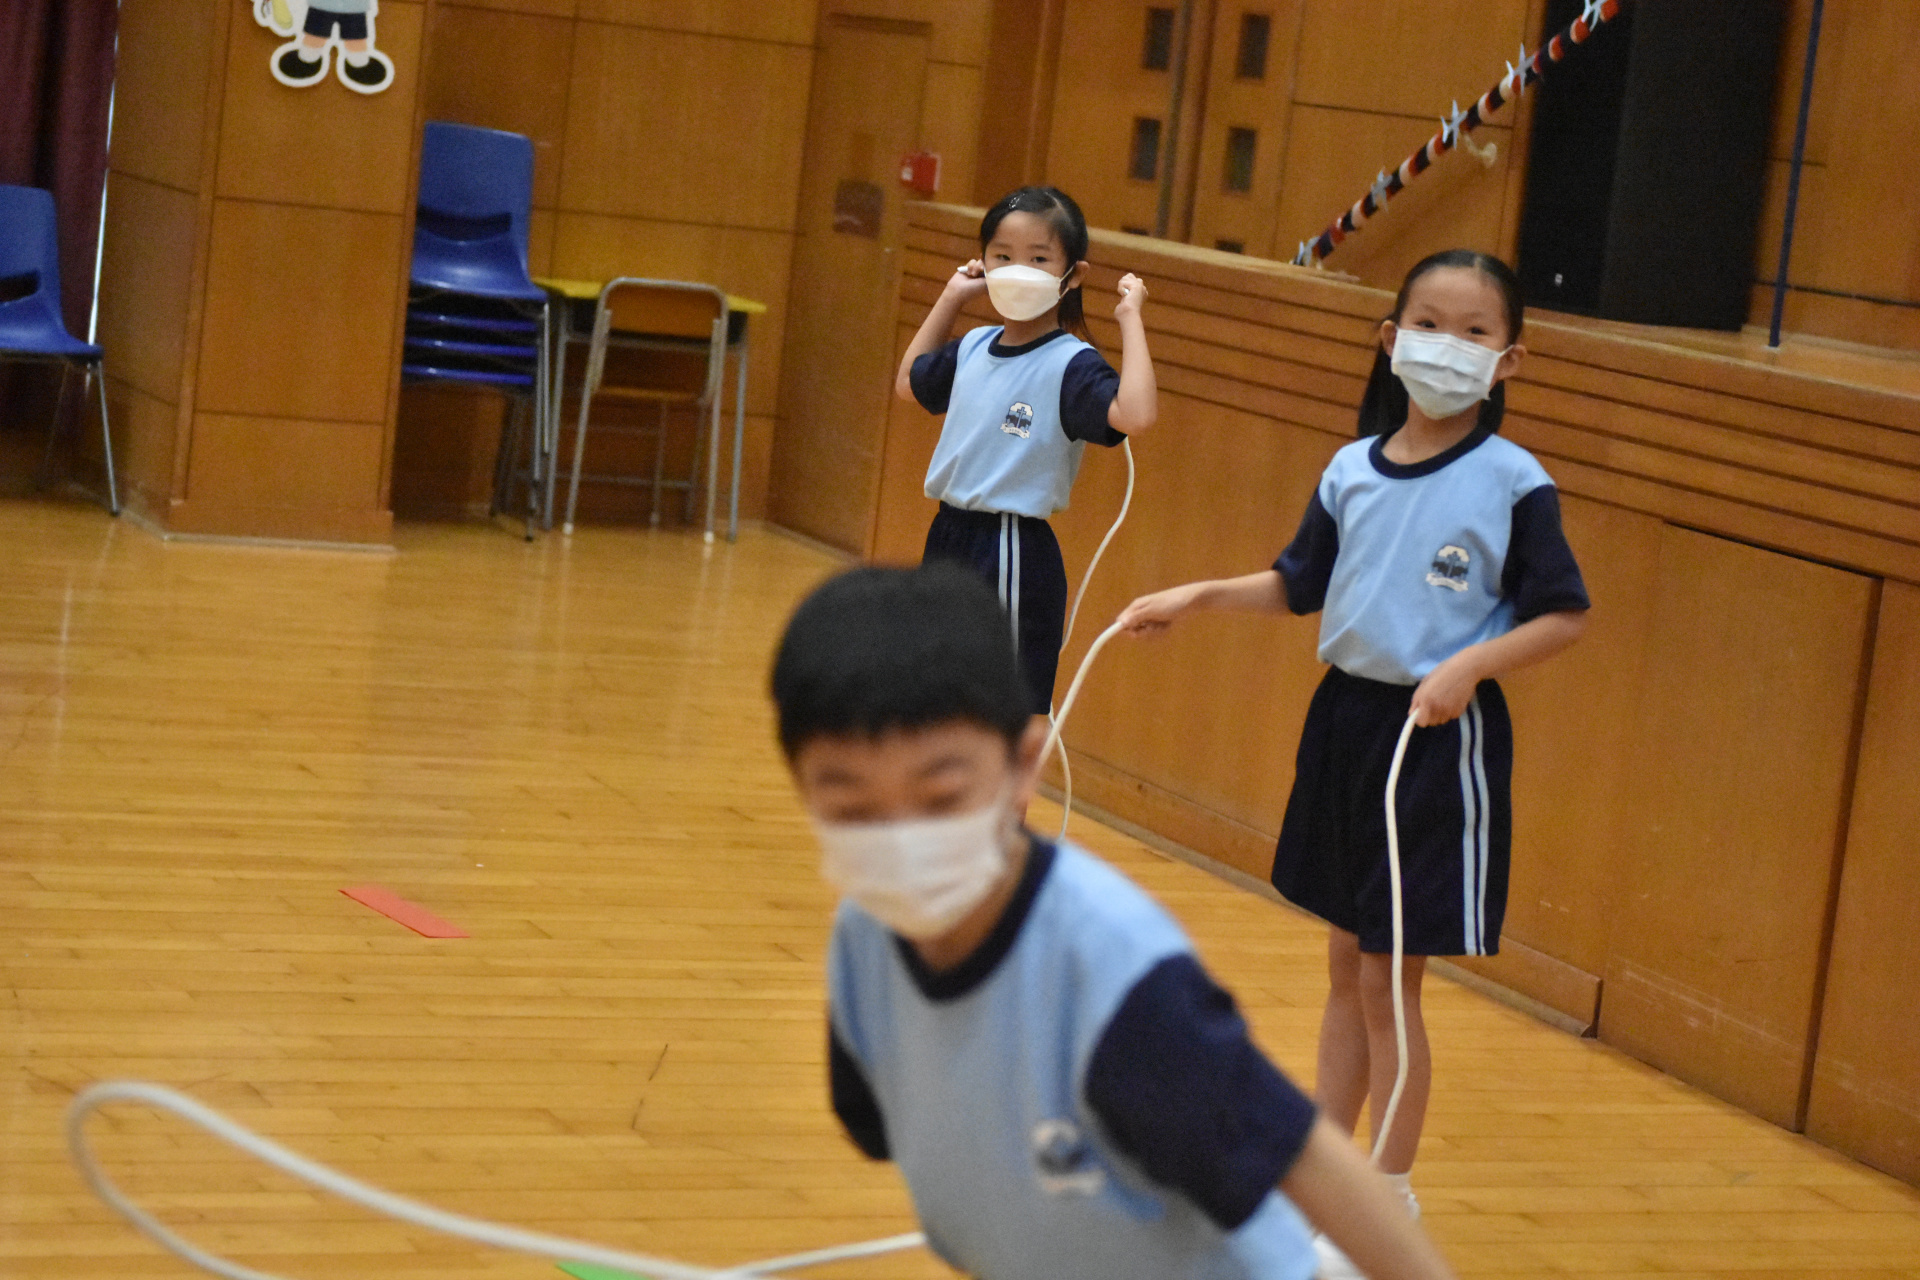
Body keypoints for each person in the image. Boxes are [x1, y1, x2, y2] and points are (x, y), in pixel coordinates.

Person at [770, 562, 1459, 1280]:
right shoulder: (863, 937)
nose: (903, 843)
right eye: (853, 810)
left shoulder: (1112, 971)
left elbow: (1306, 1160)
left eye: (941, 798)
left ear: (1024, 768)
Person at [1116, 249, 1590, 1277]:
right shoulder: (1351, 467)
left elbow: (1562, 613)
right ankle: (1320, 1187)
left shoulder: (1515, 482)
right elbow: (1300, 584)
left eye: (1474, 332)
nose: (1448, 346)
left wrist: (1468, 666)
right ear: (1389, 338)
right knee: (1345, 965)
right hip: (1346, 724)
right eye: (1429, 323)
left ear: (1509, 360)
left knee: (1388, 979)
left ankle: (1386, 1200)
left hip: (1435, 737)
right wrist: (1197, 595)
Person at [894, 186, 1157, 716]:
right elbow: (908, 384)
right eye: (1003, 257)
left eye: (1038, 259)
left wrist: (1131, 318)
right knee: (935, 699)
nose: (1018, 271)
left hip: (1008, 547)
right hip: (947, 536)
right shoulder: (973, 346)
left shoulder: (1070, 364)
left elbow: (1136, 414)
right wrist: (952, 297)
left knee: (1001, 711)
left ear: (1072, 275)